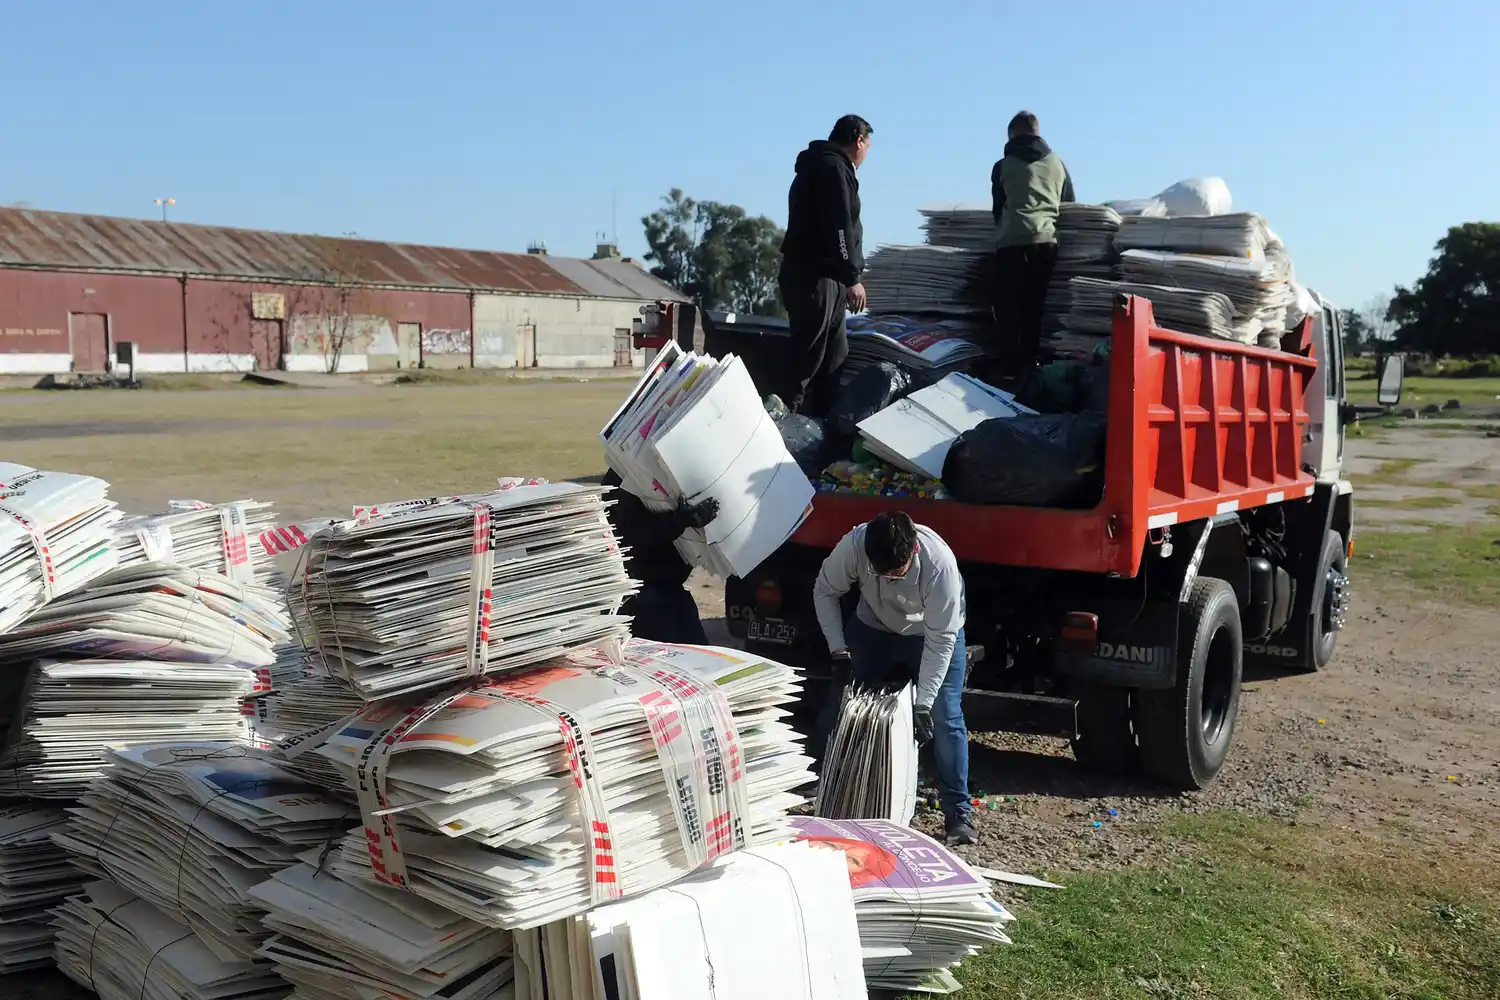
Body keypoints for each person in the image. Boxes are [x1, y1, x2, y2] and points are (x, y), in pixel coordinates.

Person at [811, 511, 975, 846]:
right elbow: (825, 591)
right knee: (843, 702)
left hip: (932, 634)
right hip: (873, 628)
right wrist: (838, 651)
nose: (886, 578)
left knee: (946, 718)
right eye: (878, 572)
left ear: (913, 551)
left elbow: (942, 639)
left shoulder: (939, 565)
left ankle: (958, 813)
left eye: (894, 574)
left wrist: (924, 703)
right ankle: (825, 785)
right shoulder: (853, 545)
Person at [777, 114, 874, 414]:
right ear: (859, 139)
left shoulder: (820, 166)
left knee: (834, 358)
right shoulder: (831, 168)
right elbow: (840, 227)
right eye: (868, 146)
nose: (866, 155)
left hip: (825, 278)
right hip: (814, 278)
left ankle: (820, 435)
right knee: (807, 360)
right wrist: (851, 277)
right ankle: (782, 425)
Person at [990, 110, 1075, 371]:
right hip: (1046, 242)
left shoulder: (1002, 166)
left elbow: (998, 209)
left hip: (1011, 243)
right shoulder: (1058, 164)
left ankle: (1008, 369)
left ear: (1011, 135)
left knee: (1007, 309)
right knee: (1034, 308)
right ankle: (1031, 367)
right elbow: (1070, 205)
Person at [600, 468, 719, 644]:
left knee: (701, 657)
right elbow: (632, 534)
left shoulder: (664, 470)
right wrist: (677, 521)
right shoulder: (624, 477)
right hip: (640, 594)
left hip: (672, 587)